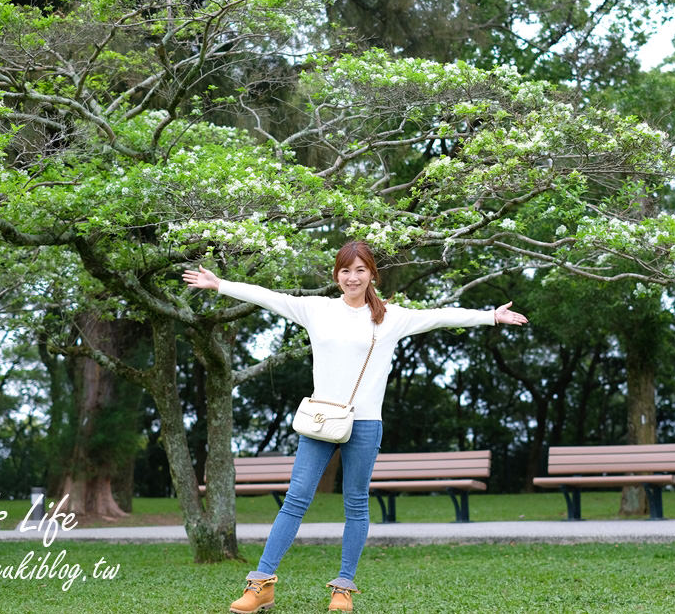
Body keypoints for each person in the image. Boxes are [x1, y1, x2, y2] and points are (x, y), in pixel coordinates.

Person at [183, 241, 528, 613]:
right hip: (320, 420)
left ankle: (343, 588)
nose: (352, 277)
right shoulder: (317, 310)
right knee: (295, 500)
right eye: (346, 270)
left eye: (360, 270)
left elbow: (439, 315)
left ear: (372, 275)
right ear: (337, 275)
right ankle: (261, 584)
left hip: (365, 424)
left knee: (356, 505)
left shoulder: (391, 318)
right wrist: (221, 285)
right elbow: (271, 297)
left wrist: (490, 316)